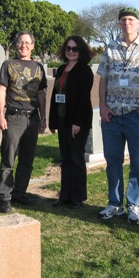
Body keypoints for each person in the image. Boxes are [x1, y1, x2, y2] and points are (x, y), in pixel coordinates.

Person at [97, 7, 139, 225]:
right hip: (113, 115)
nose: (127, 23)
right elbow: (103, 79)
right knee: (113, 161)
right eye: (123, 20)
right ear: (119, 24)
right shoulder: (111, 48)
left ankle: (134, 204)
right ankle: (114, 203)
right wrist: (103, 106)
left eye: (131, 19)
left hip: (137, 114)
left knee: (138, 162)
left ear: (138, 23)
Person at [0, 31, 47, 213]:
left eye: (27, 42)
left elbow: (41, 93)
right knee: (9, 158)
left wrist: (43, 116)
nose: (23, 45)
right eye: (20, 42)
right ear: (16, 45)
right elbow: (1, 90)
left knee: (27, 159)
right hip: (14, 116)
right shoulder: (8, 64)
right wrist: (0, 115)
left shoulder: (39, 67)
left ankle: (20, 192)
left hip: (32, 118)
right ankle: (4, 196)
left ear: (33, 45)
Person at [49, 36, 95, 209]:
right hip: (63, 120)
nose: (70, 51)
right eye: (68, 48)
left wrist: (77, 123)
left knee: (76, 159)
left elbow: (84, 99)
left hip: (78, 122)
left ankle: (77, 197)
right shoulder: (61, 69)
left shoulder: (84, 71)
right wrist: (53, 121)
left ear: (81, 51)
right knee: (66, 158)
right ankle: (64, 195)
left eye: (74, 49)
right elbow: (56, 96)